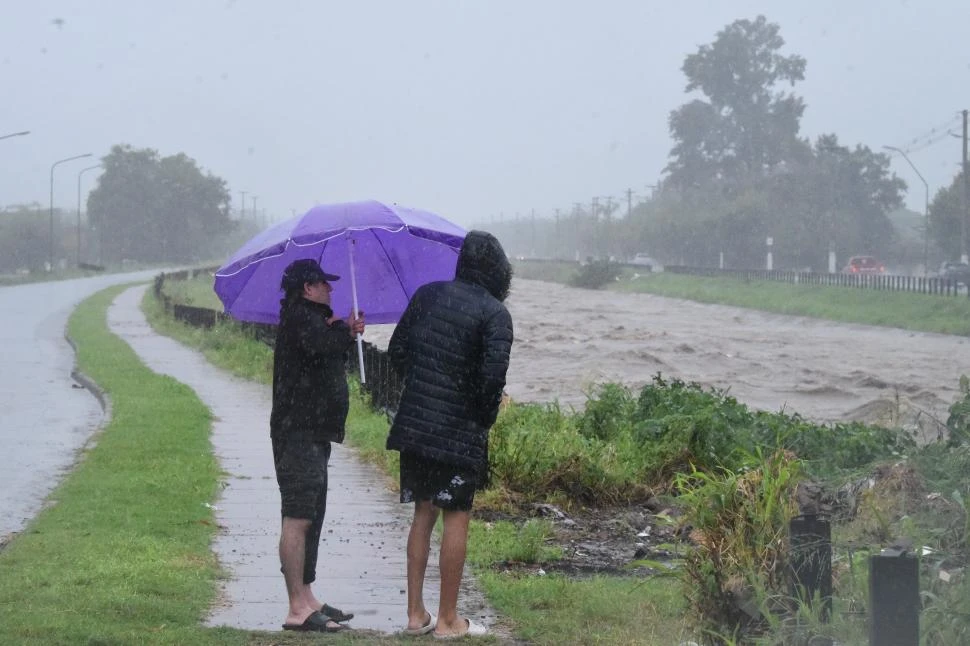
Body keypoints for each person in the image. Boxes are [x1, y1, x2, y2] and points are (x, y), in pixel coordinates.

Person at [386, 230, 514, 639]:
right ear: (498, 269)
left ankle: (415, 615)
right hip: (459, 432)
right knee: (456, 516)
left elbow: (397, 352)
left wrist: (424, 387)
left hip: (416, 426)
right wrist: (482, 417)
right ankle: (447, 620)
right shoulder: (495, 314)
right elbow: (492, 379)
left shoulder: (427, 295)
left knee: (423, 514)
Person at [270, 258, 365, 633]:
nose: (330, 288)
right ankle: (297, 608)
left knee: (312, 515)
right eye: (324, 283)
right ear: (308, 288)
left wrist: (343, 332)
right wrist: (344, 330)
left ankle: (307, 596)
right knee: (298, 516)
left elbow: (323, 352)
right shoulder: (301, 319)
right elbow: (318, 347)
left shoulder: (311, 319)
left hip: (312, 433)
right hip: (298, 433)